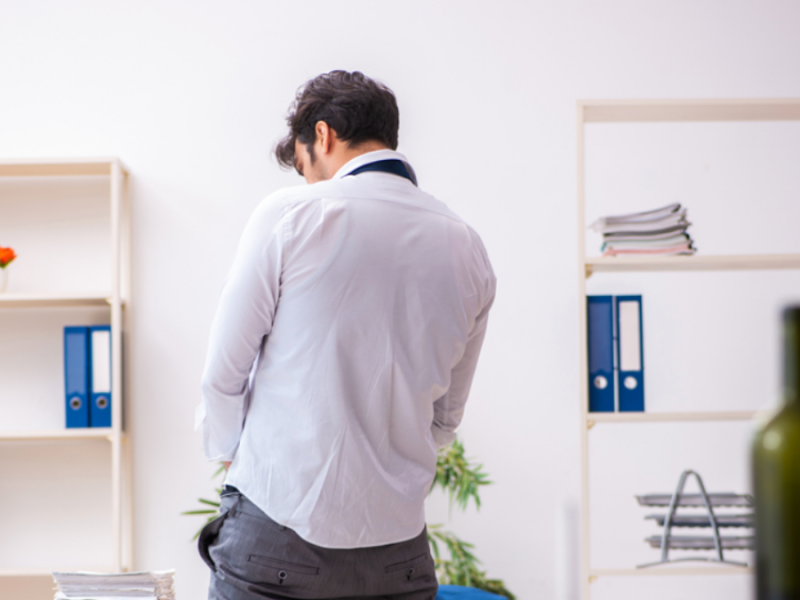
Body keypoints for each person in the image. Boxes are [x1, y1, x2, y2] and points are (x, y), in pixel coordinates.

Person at [196, 70, 496, 600]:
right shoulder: (466, 245)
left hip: (277, 532)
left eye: (305, 166)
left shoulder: (291, 215)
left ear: (324, 135)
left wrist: (227, 452)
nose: (308, 183)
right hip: (398, 554)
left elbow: (223, 376)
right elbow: (444, 419)